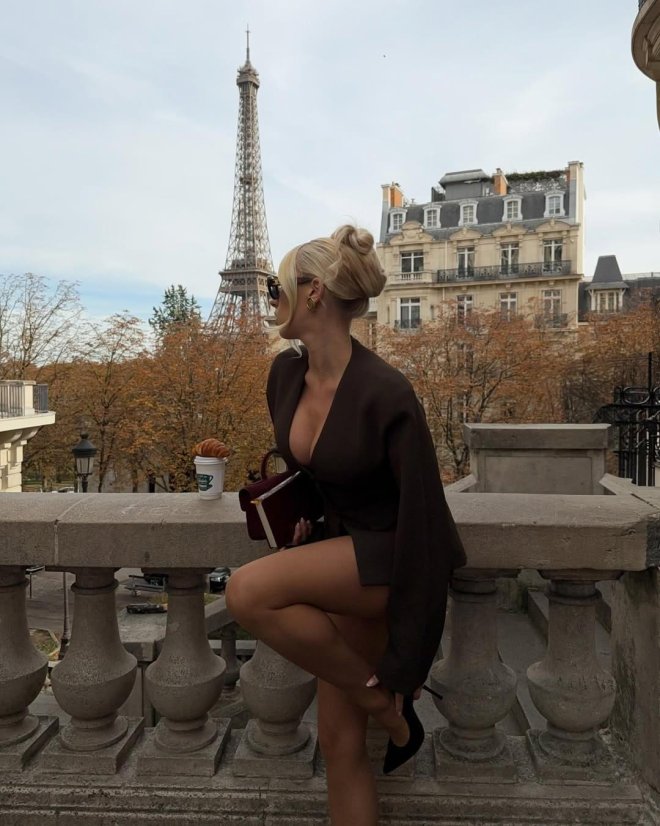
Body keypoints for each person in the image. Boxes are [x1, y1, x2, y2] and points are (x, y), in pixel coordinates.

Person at [225, 225, 466, 826]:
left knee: (246, 591)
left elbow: (427, 528)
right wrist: (306, 517)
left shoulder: (387, 393)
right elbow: (320, 472)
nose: (270, 299)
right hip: (337, 556)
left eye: (277, 287)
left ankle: (385, 704)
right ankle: (384, 711)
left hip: (382, 560)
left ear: (313, 292)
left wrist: (408, 660)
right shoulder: (285, 375)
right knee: (339, 744)